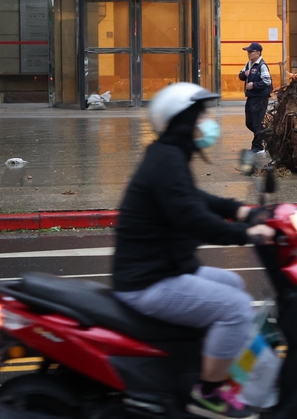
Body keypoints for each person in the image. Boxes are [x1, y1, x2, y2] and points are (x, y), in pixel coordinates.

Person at [112, 82, 275, 419]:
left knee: (232, 284)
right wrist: (247, 234)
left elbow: (194, 198)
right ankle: (208, 394)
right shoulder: (166, 160)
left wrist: (241, 210)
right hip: (149, 280)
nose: (205, 124)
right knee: (236, 308)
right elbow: (191, 218)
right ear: (183, 121)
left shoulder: (168, 155)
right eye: (199, 118)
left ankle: (206, 363)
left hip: (167, 268)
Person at [239, 42, 273, 155]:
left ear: (258, 53)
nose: (248, 54)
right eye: (248, 52)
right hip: (251, 97)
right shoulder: (249, 64)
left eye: (250, 52)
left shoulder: (262, 65)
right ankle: (267, 135)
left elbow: (267, 81)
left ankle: (258, 146)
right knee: (249, 122)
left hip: (260, 97)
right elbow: (240, 75)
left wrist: (254, 85)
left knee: (257, 122)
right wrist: (245, 74)